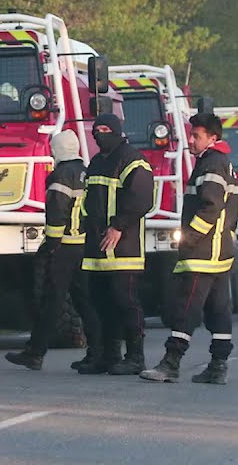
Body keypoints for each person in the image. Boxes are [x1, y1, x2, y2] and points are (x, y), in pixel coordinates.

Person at [141, 112, 238, 385]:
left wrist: (188, 239)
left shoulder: (211, 164)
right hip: (220, 252)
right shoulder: (223, 163)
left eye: (196, 136)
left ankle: (170, 364)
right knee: (219, 311)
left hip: (202, 254)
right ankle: (218, 366)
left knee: (185, 309)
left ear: (212, 138)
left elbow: (210, 207)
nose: (191, 141)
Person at [3, 129, 99, 371]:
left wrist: (51, 246)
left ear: (57, 151)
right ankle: (98, 352)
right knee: (85, 301)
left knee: (52, 300)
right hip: (84, 246)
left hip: (64, 247)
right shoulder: (88, 172)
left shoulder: (61, 176)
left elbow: (57, 212)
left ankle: (35, 353)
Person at [77, 114, 155, 376]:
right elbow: (89, 200)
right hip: (96, 249)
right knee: (101, 304)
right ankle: (109, 356)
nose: (99, 134)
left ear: (117, 131)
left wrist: (118, 226)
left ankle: (135, 357)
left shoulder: (133, 160)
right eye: (96, 129)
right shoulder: (97, 162)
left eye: (105, 129)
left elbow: (142, 199)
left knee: (126, 302)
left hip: (124, 250)